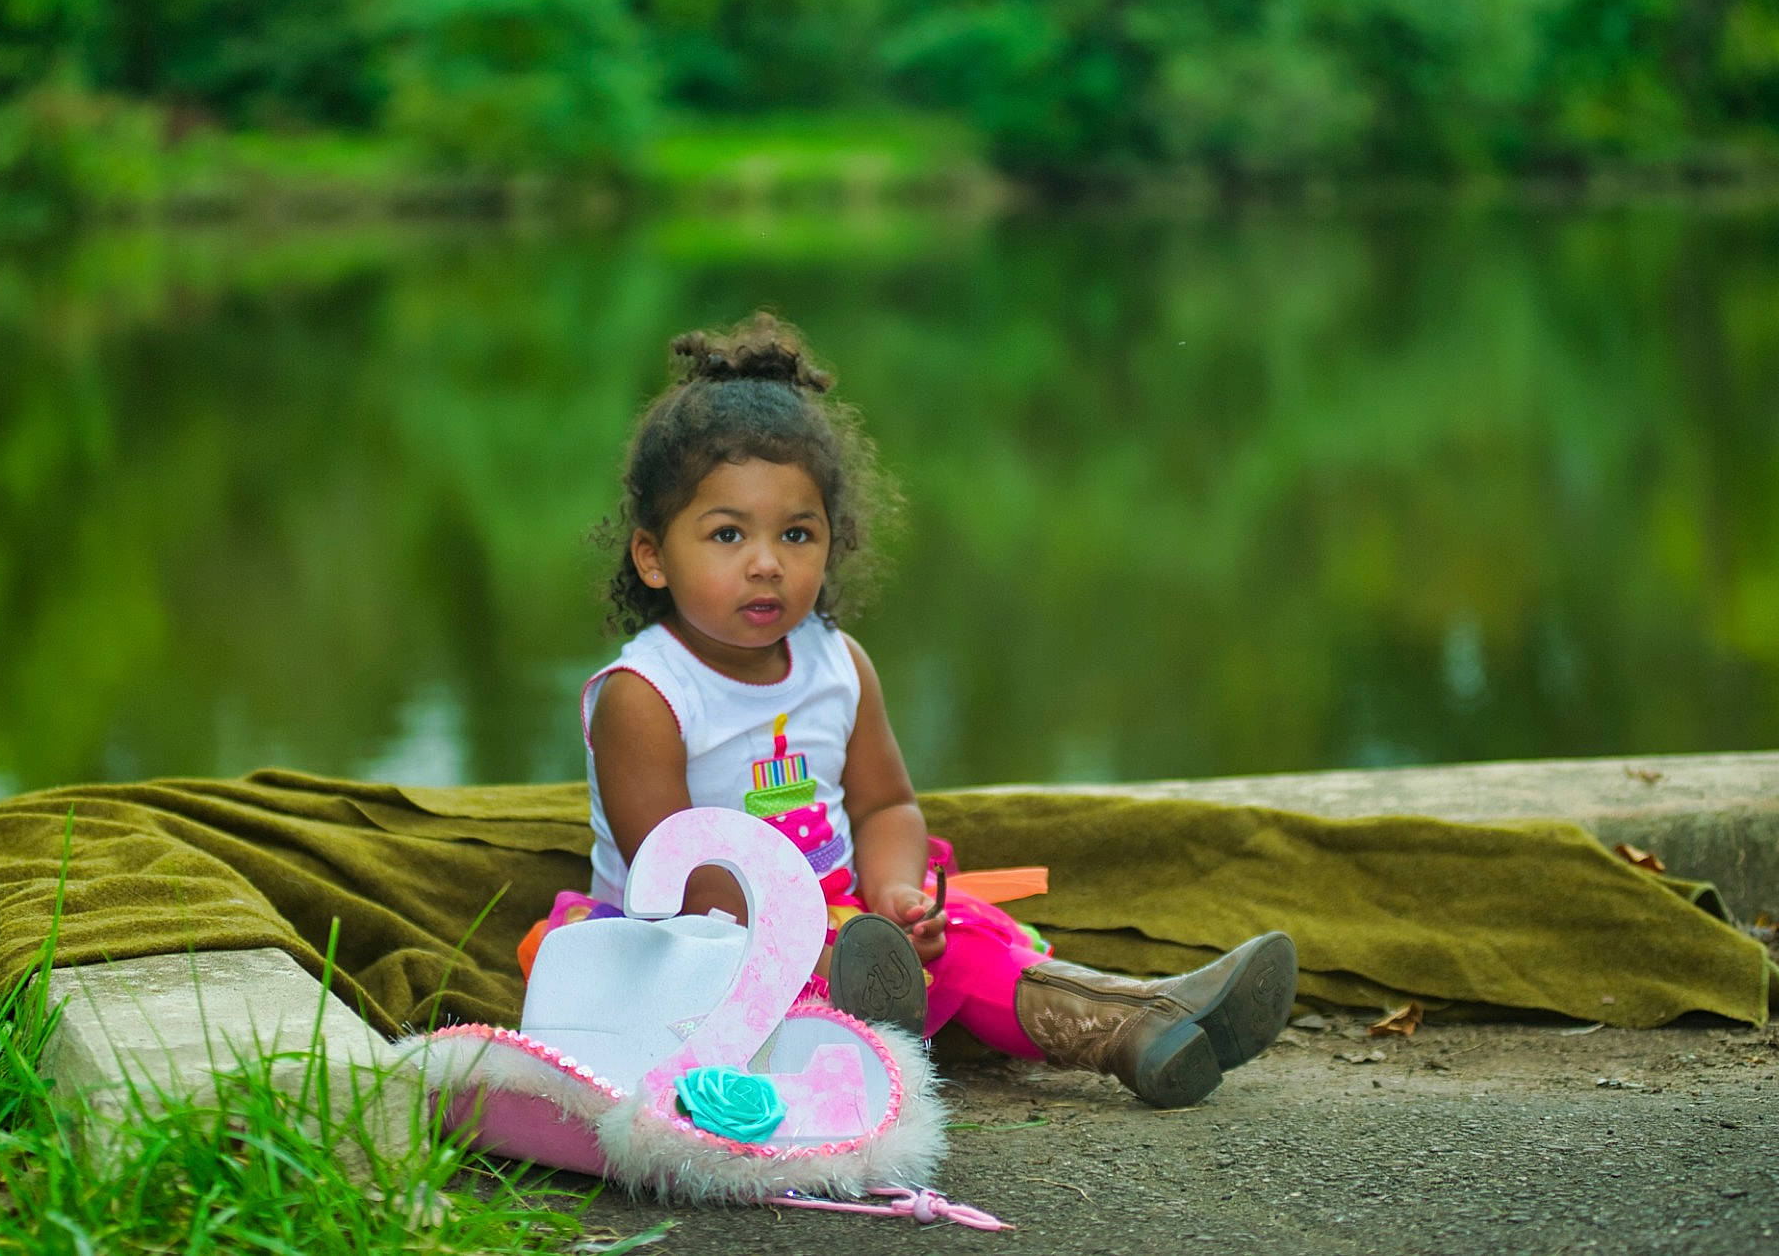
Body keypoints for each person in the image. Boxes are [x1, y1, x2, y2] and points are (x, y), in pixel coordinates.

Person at [539, 312, 1297, 1109]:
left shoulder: (838, 665)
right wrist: (816, 939)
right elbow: (676, 878)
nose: (767, 564)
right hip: (699, 944)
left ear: (835, 541)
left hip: (848, 924)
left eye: (797, 534)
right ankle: (870, 1018)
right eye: (728, 535)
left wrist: (896, 893)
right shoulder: (647, 696)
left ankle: (1140, 1025)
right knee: (792, 981)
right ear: (653, 556)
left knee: (962, 940)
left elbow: (885, 804)